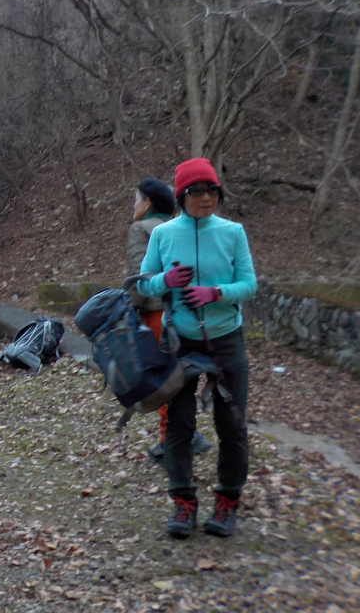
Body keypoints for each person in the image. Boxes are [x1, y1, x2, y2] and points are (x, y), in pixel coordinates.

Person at [138, 158, 257, 539]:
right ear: (181, 196)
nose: (205, 198)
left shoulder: (233, 232)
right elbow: (143, 284)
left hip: (226, 340)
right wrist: (165, 280)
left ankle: (227, 502)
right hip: (182, 342)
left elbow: (250, 284)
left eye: (211, 191)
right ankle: (183, 503)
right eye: (196, 191)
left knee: (232, 427)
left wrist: (216, 293)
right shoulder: (163, 234)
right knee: (179, 427)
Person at [128, 179, 212, 463]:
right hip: (183, 314)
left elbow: (142, 276)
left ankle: (171, 441)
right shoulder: (180, 227)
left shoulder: (140, 229)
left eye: (136, 200)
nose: (134, 206)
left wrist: (129, 311)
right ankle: (189, 433)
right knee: (179, 374)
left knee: (163, 379)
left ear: (148, 203)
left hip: (155, 313)